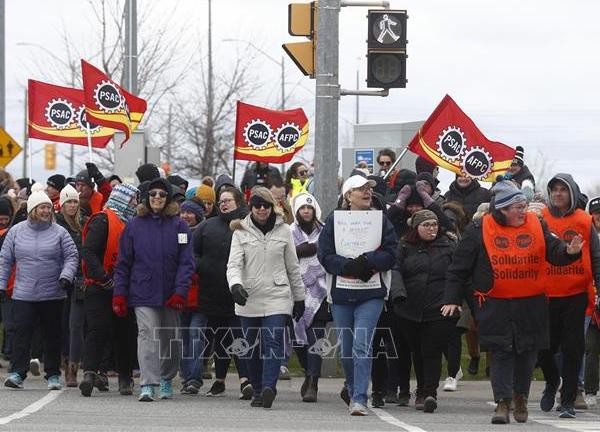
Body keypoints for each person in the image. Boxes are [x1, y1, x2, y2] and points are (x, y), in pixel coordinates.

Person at [441, 178, 584, 424]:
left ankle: (520, 398)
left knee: (527, 353)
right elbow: (459, 268)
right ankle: (502, 403)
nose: (523, 211)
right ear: (503, 209)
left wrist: (569, 252)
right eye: (518, 208)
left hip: (531, 303)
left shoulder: (537, 224)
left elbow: (554, 250)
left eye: (524, 206)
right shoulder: (479, 229)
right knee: (501, 352)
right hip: (495, 303)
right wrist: (451, 298)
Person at [318, 175, 397, 416]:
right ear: (348, 195)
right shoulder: (334, 220)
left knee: (362, 345)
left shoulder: (381, 220)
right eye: (361, 189)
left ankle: (360, 398)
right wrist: (347, 266)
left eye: (369, 189)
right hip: (342, 293)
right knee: (347, 348)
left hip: (371, 293)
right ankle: (353, 389)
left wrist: (368, 260)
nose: (367, 192)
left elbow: (392, 253)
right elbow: (325, 254)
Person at [113, 178, 195, 402]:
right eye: (152, 194)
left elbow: (186, 263)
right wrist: (119, 293)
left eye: (161, 194)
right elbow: (123, 263)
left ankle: (167, 378)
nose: (157, 198)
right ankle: (148, 383)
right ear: (146, 198)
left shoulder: (180, 226)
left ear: (168, 198)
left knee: (170, 339)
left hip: (171, 293)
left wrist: (180, 291)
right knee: (147, 335)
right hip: (142, 291)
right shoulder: (134, 225)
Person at [226, 187, 305, 409]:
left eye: (266, 205)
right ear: (250, 207)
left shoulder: (284, 231)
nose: (262, 209)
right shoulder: (240, 231)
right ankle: (258, 390)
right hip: (248, 297)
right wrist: (235, 285)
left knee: (272, 341)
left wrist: (299, 297)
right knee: (250, 347)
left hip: (277, 296)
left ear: (272, 207)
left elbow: (293, 267)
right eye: (257, 205)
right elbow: (233, 265)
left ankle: (269, 387)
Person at [1, 185, 78, 390]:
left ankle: (52, 374)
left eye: (48, 208)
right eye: (41, 208)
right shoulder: (16, 232)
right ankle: (18, 373)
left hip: (52, 293)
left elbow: (72, 256)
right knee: (21, 334)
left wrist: (66, 276)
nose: (46, 211)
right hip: (23, 294)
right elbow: (5, 260)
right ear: (33, 210)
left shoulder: (59, 232)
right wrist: (1, 284)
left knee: (52, 335)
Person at [537, 174, 600, 418]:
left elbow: (595, 255)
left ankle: (568, 401)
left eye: (563, 189)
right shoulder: (541, 218)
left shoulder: (584, 220)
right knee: (543, 348)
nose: (558, 194)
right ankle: (553, 381)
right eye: (554, 190)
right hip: (546, 294)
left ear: (572, 192)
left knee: (574, 349)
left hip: (576, 293)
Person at [391, 209, 457, 413]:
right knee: (416, 351)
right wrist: (399, 293)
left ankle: (429, 393)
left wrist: (453, 299)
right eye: (426, 225)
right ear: (416, 227)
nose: (431, 229)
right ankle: (419, 388)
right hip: (409, 307)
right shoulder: (404, 245)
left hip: (439, 308)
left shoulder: (448, 245)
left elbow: (458, 273)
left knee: (432, 351)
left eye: (434, 224)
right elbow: (395, 270)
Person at [189, 186, 252, 398]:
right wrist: (202, 265)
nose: (223, 204)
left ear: (239, 202)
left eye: (228, 201)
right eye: (221, 201)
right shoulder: (207, 226)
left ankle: (246, 380)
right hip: (211, 293)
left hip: (238, 294)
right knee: (220, 340)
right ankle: (219, 381)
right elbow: (193, 253)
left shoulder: (247, 225)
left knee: (239, 338)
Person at [79, 183, 140, 397]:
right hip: (100, 286)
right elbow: (88, 252)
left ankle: (125, 378)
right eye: (133, 199)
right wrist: (103, 278)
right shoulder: (102, 220)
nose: (136, 204)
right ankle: (89, 373)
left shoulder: (133, 224)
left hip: (124, 287)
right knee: (98, 329)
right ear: (123, 199)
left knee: (125, 332)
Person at [290, 193, 327, 402]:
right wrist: (297, 251)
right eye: (302, 208)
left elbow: (329, 253)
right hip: (295, 291)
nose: (306, 211)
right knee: (298, 339)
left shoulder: (324, 232)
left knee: (316, 337)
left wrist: (317, 250)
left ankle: (313, 381)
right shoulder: (289, 232)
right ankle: (307, 371)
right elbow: (281, 255)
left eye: (309, 208)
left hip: (320, 290)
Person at [56, 184, 89, 387]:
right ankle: (61, 360)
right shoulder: (54, 224)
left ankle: (73, 367)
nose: (72, 205)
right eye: (69, 201)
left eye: (75, 201)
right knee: (60, 325)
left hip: (79, 280)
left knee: (76, 325)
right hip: (57, 281)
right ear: (62, 203)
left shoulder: (85, 223)